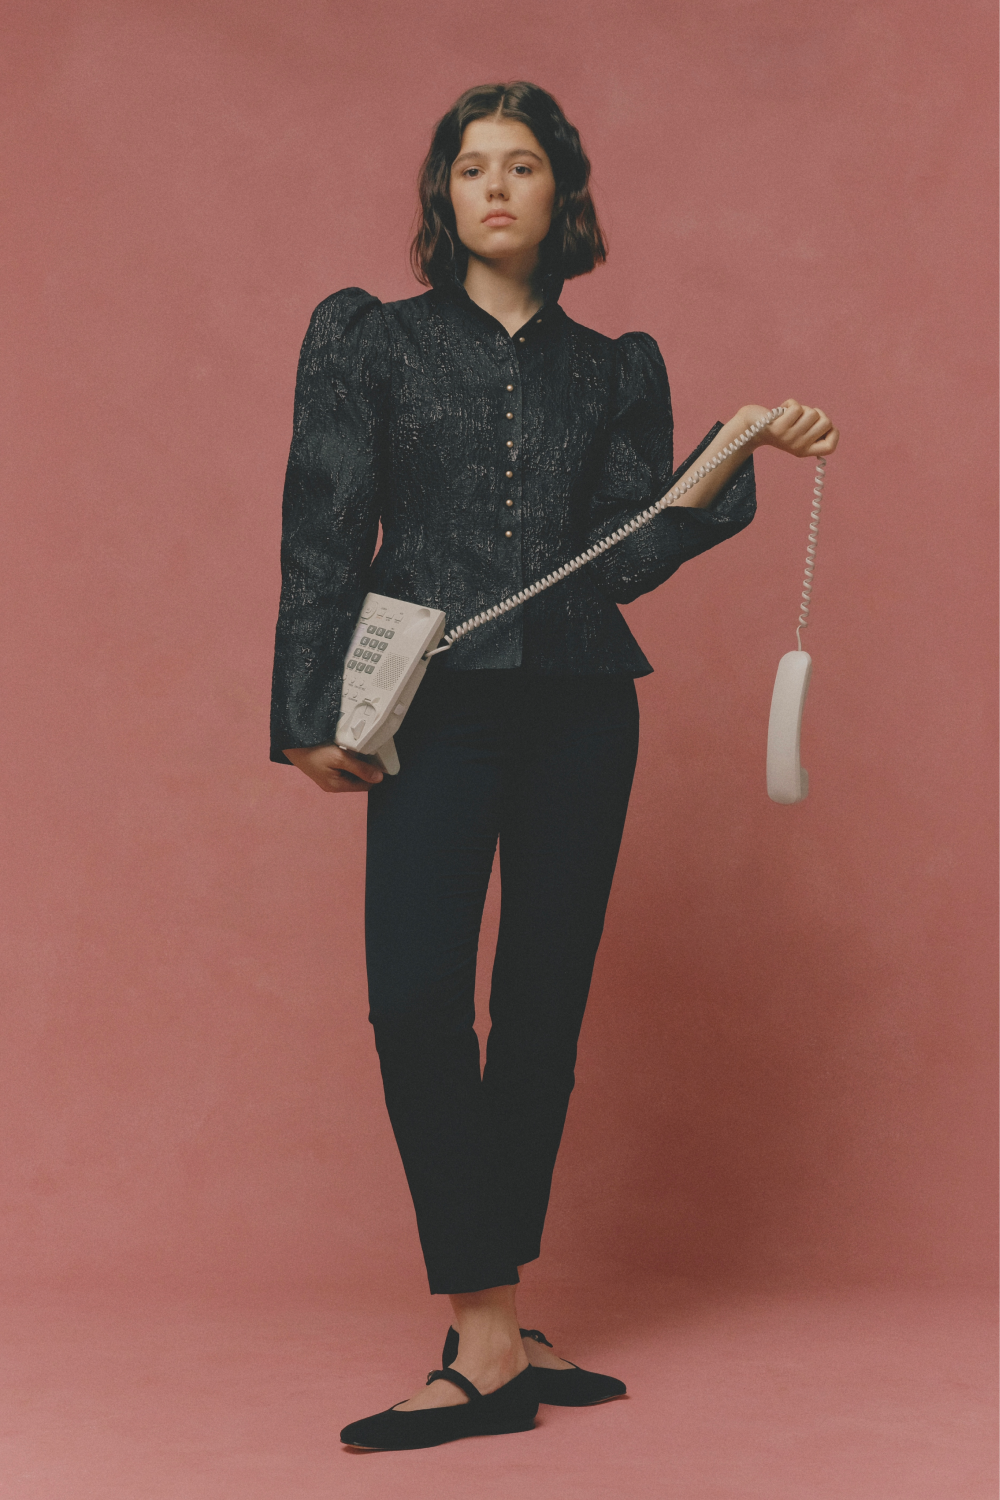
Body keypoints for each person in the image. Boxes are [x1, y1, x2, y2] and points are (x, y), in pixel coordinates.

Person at [269, 80, 839, 1452]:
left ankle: (494, 1329)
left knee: (539, 1016)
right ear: (444, 194)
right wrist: (305, 711)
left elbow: (627, 557)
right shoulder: (372, 340)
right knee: (418, 1002)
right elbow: (325, 525)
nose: (495, 186)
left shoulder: (613, 367)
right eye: (472, 166)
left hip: (584, 708)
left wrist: (725, 457)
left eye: (521, 165)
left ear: (560, 193)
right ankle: (486, 1323)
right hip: (432, 708)